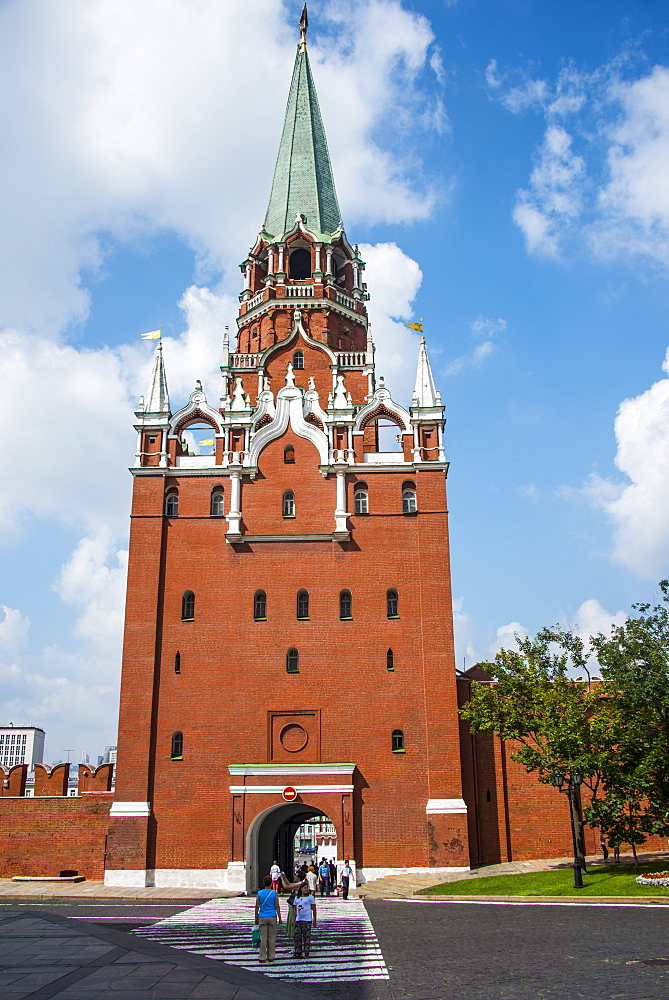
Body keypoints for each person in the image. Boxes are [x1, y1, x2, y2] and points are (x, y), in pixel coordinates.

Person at [254, 875, 282, 964]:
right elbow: (277, 906)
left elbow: (257, 906)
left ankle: (262, 957)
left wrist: (256, 917)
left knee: (263, 937)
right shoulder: (274, 893)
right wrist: (280, 917)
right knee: (272, 937)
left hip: (262, 916)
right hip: (272, 915)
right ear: (271, 884)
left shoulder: (259, 893)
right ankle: (271, 956)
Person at [293, 882, 317, 959]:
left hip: (307, 920)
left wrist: (314, 920)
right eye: (305, 888)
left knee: (306, 937)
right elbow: (294, 909)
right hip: (298, 919)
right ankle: (298, 952)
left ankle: (306, 952)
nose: (306, 889)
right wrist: (293, 919)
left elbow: (314, 908)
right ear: (301, 889)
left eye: (307, 888)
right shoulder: (297, 898)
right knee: (297, 936)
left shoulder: (310, 898)